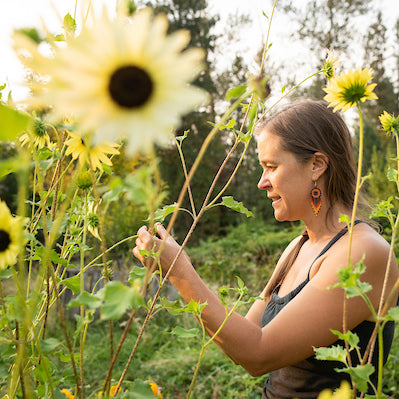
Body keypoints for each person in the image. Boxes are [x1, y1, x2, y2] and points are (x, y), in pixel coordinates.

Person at [133, 100, 399, 398]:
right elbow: (240, 343)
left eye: (271, 166)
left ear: (316, 165)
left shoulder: (362, 252)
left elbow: (258, 354)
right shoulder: (297, 247)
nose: (262, 182)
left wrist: (180, 272)